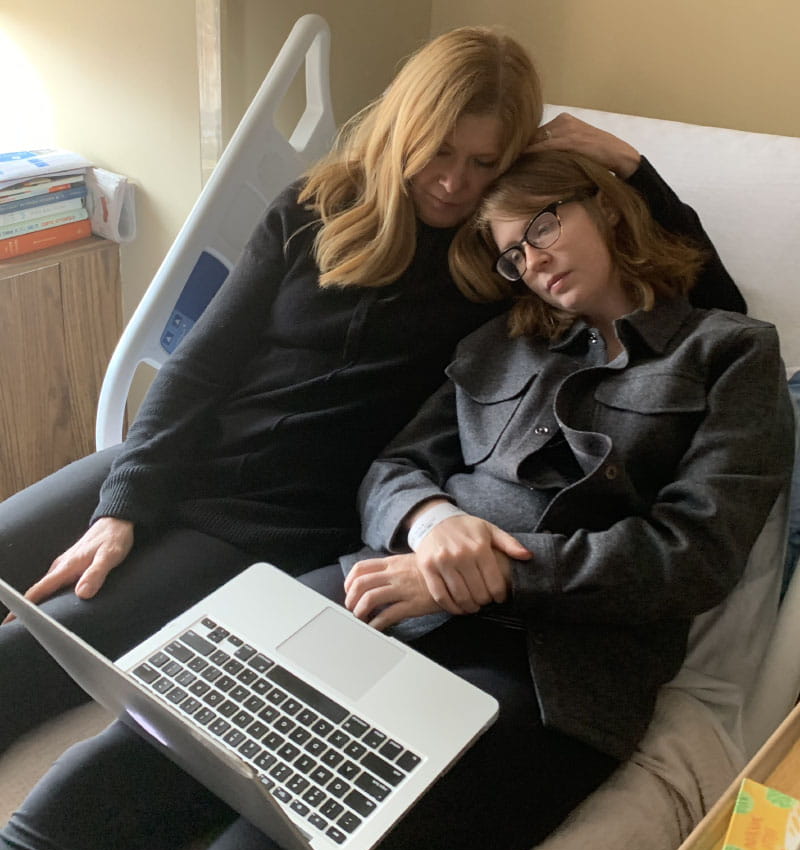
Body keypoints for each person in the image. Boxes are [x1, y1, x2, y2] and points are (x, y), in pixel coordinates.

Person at [0, 149, 788, 850]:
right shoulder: (501, 341)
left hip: (547, 673)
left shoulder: (732, 356)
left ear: (609, 209)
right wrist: (430, 520)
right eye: (514, 252)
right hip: (374, 594)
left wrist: (482, 578)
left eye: (545, 224)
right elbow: (392, 469)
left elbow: (692, 555)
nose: (534, 260)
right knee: (118, 767)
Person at [0, 22, 744, 757]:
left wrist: (632, 165)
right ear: (403, 127)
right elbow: (201, 365)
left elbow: (712, 310)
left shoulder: (502, 273)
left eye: (485, 162)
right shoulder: (312, 208)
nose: (455, 182)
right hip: (175, 461)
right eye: (439, 151)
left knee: (29, 651)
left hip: (266, 526)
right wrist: (124, 502)